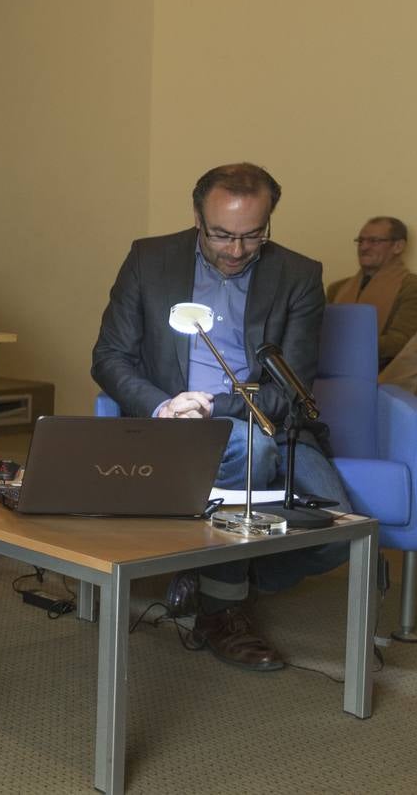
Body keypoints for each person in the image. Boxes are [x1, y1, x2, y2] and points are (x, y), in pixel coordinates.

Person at [91, 162, 352, 672]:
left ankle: (215, 566)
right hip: (169, 422)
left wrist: (211, 406)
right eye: (221, 235)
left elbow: (289, 387)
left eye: (252, 236)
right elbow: (109, 357)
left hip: (268, 424)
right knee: (249, 451)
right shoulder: (149, 259)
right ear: (197, 216)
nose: (235, 251)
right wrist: (165, 406)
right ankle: (221, 608)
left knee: (337, 533)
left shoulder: (299, 274)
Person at [326, 218, 417, 371]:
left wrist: (342, 344)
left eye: (374, 241)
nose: (364, 247)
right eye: (360, 241)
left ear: (398, 246)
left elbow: (404, 343)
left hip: (387, 377)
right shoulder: (337, 288)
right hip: (329, 370)